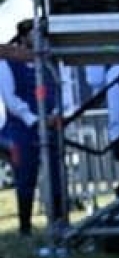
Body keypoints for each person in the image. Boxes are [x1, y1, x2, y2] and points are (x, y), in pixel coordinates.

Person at [0, 19, 67, 236]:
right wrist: (34, 119)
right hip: (22, 128)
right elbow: (10, 98)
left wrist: (56, 113)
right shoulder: (7, 63)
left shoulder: (50, 62)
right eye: (33, 34)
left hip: (51, 124)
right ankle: (25, 226)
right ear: (23, 37)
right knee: (25, 176)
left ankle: (58, 220)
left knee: (57, 173)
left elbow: (60, 89)